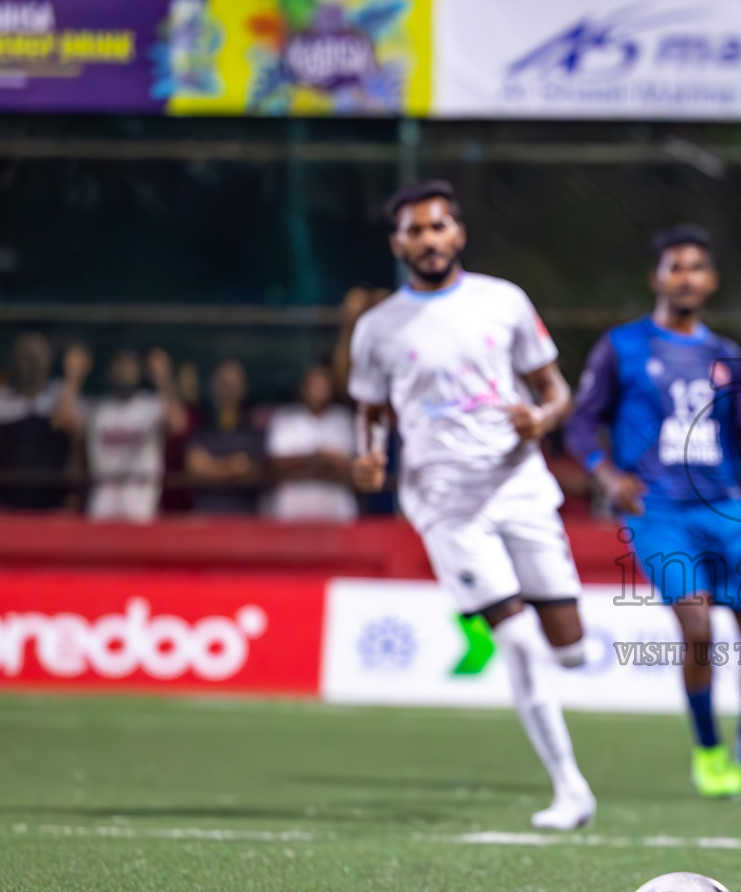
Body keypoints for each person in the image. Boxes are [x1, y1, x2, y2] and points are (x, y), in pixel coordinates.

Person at [349, 179, 595, 831]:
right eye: (413, 230)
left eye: (438, 227)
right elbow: (370, 412)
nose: (428, 240)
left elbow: (555, 389)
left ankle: (565, 666)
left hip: (519, 484)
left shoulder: (503, 302)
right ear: (397, 242)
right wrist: (369, 454)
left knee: (568, 646)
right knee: (516, 639)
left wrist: (541, 419)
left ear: (457, 233)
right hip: (445, 501)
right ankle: (571, 789)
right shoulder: (376, 328)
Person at [566, 224, 741, 803]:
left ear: (711, 281)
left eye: (697, 268)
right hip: (659, 510)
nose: (687, 277)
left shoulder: (724, 355)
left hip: (727, 509)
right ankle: (709, 754)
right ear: (657, 277)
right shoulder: (622, 346)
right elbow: (581, 422)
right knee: (697, 622)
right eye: (675, 267)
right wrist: (607, 475)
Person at [66, 347, 186, 522]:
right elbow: (63, 420)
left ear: (139, 371)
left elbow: (178, 423)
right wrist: (73, 376)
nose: (124, 371)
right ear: (109, 372)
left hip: (141, 506)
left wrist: (162, 377)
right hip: (102, 505)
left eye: (129, 366)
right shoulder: (96, 408)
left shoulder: (151, 405)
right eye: (119, 366)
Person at [0, 332, 80, 509]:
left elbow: (72, 430)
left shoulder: (59, 393)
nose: (32, 365)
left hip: (52, 496)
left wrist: (73, 376)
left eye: (37, 357)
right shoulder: (4, 397)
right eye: (26, 357)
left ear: (48, 361)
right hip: (11, 495)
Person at [267, 364, 356, 522]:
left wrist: (303, 465)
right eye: (314, 386)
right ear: (303, 388)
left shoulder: (342, 419)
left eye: (323, 386)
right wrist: (319, 457)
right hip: (291, 512)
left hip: (336, 513)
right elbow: (277, 465)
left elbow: (349, 466)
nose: (319, 391)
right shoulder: (285, 418)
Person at [186, 358, 265, 515]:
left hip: (245, 523)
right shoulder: (203, 428)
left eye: (233, 384)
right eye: (223, 383)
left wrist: (212, 468)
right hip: (207, 522)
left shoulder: (254, 433)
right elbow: (194, 467)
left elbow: (258, 471)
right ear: (213, 386)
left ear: (244, 388)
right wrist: (231, 467)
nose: (228, 390)